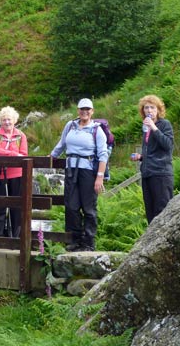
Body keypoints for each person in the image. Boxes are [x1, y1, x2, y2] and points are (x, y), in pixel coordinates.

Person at [50, 98, 108, 252]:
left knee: (88, 207)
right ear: (78, 110)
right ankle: (74, 240)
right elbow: (61, 144)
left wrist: (99, 177)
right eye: (82, 109)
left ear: (92, 111)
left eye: (88, 109)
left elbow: (103, 155)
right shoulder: (70, 126)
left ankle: (88, 242)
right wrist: (50, 158)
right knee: (71, 206)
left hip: (88, 171)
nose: (85, 112)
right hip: (70, 170)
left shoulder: (97, 130)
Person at [130, 94, 174, 224]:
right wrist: (141, 157)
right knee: (150, 212)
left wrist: (154, 128)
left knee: (162, 212)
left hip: (161, 173)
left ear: (158, 110)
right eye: (146, 108)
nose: (149, 110)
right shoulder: (146, 129)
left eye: (152, 108)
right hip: (148, 173)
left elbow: (168, 146)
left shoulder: (164, 124)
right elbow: (154, 151)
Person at [0, 106, 28, 238]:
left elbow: (23, 154)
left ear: (14, 121)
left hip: (17, 174)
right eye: (4, 120)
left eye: (9, 120)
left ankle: (16, 235)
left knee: (16, 206)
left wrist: (12, 155)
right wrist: (13, 154)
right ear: (1, 121)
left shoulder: (21, 135)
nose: (7, 122)